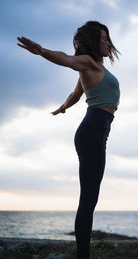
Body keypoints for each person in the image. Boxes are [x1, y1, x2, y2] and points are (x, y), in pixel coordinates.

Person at [17, 20, 121, 259]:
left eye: (108, 38)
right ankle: (83, 255)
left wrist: (63, 107)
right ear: (93, 42)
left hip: (96, 129)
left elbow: (76, 93)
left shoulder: (96, 67)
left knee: (89, 198)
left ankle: (82, 254)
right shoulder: (85, 62)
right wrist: (42, 51)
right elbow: (67, 59)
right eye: (103, 38)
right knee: (88, 199)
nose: (107, 42)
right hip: (93, 128)